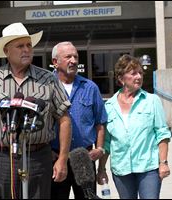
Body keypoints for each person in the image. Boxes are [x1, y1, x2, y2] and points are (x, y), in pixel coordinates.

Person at [0, 22, 72, 199]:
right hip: (3, 157)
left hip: (39, 157)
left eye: (29, 45)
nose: (26, 50)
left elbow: (64, 119)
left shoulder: (48, 78)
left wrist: (62, 159)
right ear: (7, 51)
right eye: (20, 46)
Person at [97, 54, 171, 199]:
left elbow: (162, 134)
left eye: (140, 73)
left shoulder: (152, 101)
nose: (139, 76)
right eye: (133, 73)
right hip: (121, 168)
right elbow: (106, 143)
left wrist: (163, 163)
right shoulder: (109, 106)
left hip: (148, 167)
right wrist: (101, 169)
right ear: (121, 78)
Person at [50, 41, 107, 199]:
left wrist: (100, 148)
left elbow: (100, 122)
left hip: (84, 157)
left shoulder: (90, 87)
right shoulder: (46, 87)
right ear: (55, 62)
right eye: (68, 57)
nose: (73, 60)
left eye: (75, 56)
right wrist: (46, 151)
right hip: (55, 158)